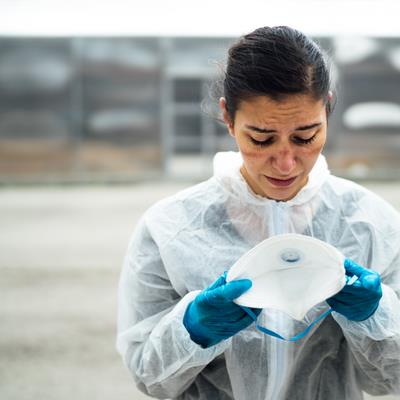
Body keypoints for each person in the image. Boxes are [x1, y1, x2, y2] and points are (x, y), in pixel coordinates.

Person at [116, 26, 400, 399]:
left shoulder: (370, 224)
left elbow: (389, 381)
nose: (285, 163)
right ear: (228, 118)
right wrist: (191, 329)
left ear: (328, 109)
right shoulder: (171, 228)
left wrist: (375, 318)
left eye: (306, 136)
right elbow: (150, 379)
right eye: (261, 138)